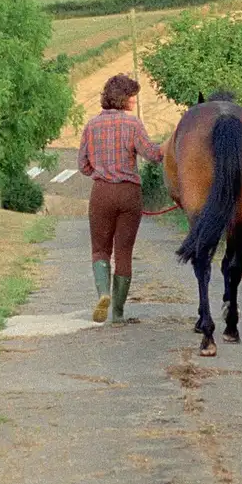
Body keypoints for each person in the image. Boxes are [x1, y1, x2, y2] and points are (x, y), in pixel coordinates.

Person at [77, 74, 165, 324]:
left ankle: (103, 293)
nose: (134, 102)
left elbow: (82, 165)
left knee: (100, 250)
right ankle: (117, 313)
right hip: (129, 194)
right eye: (132, 97)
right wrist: (168, 146)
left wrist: (101, 174)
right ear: (123, 98)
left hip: (102, 193)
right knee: (124, 252)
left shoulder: (91, 126)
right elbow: (153, 155)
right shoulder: (133, 125)